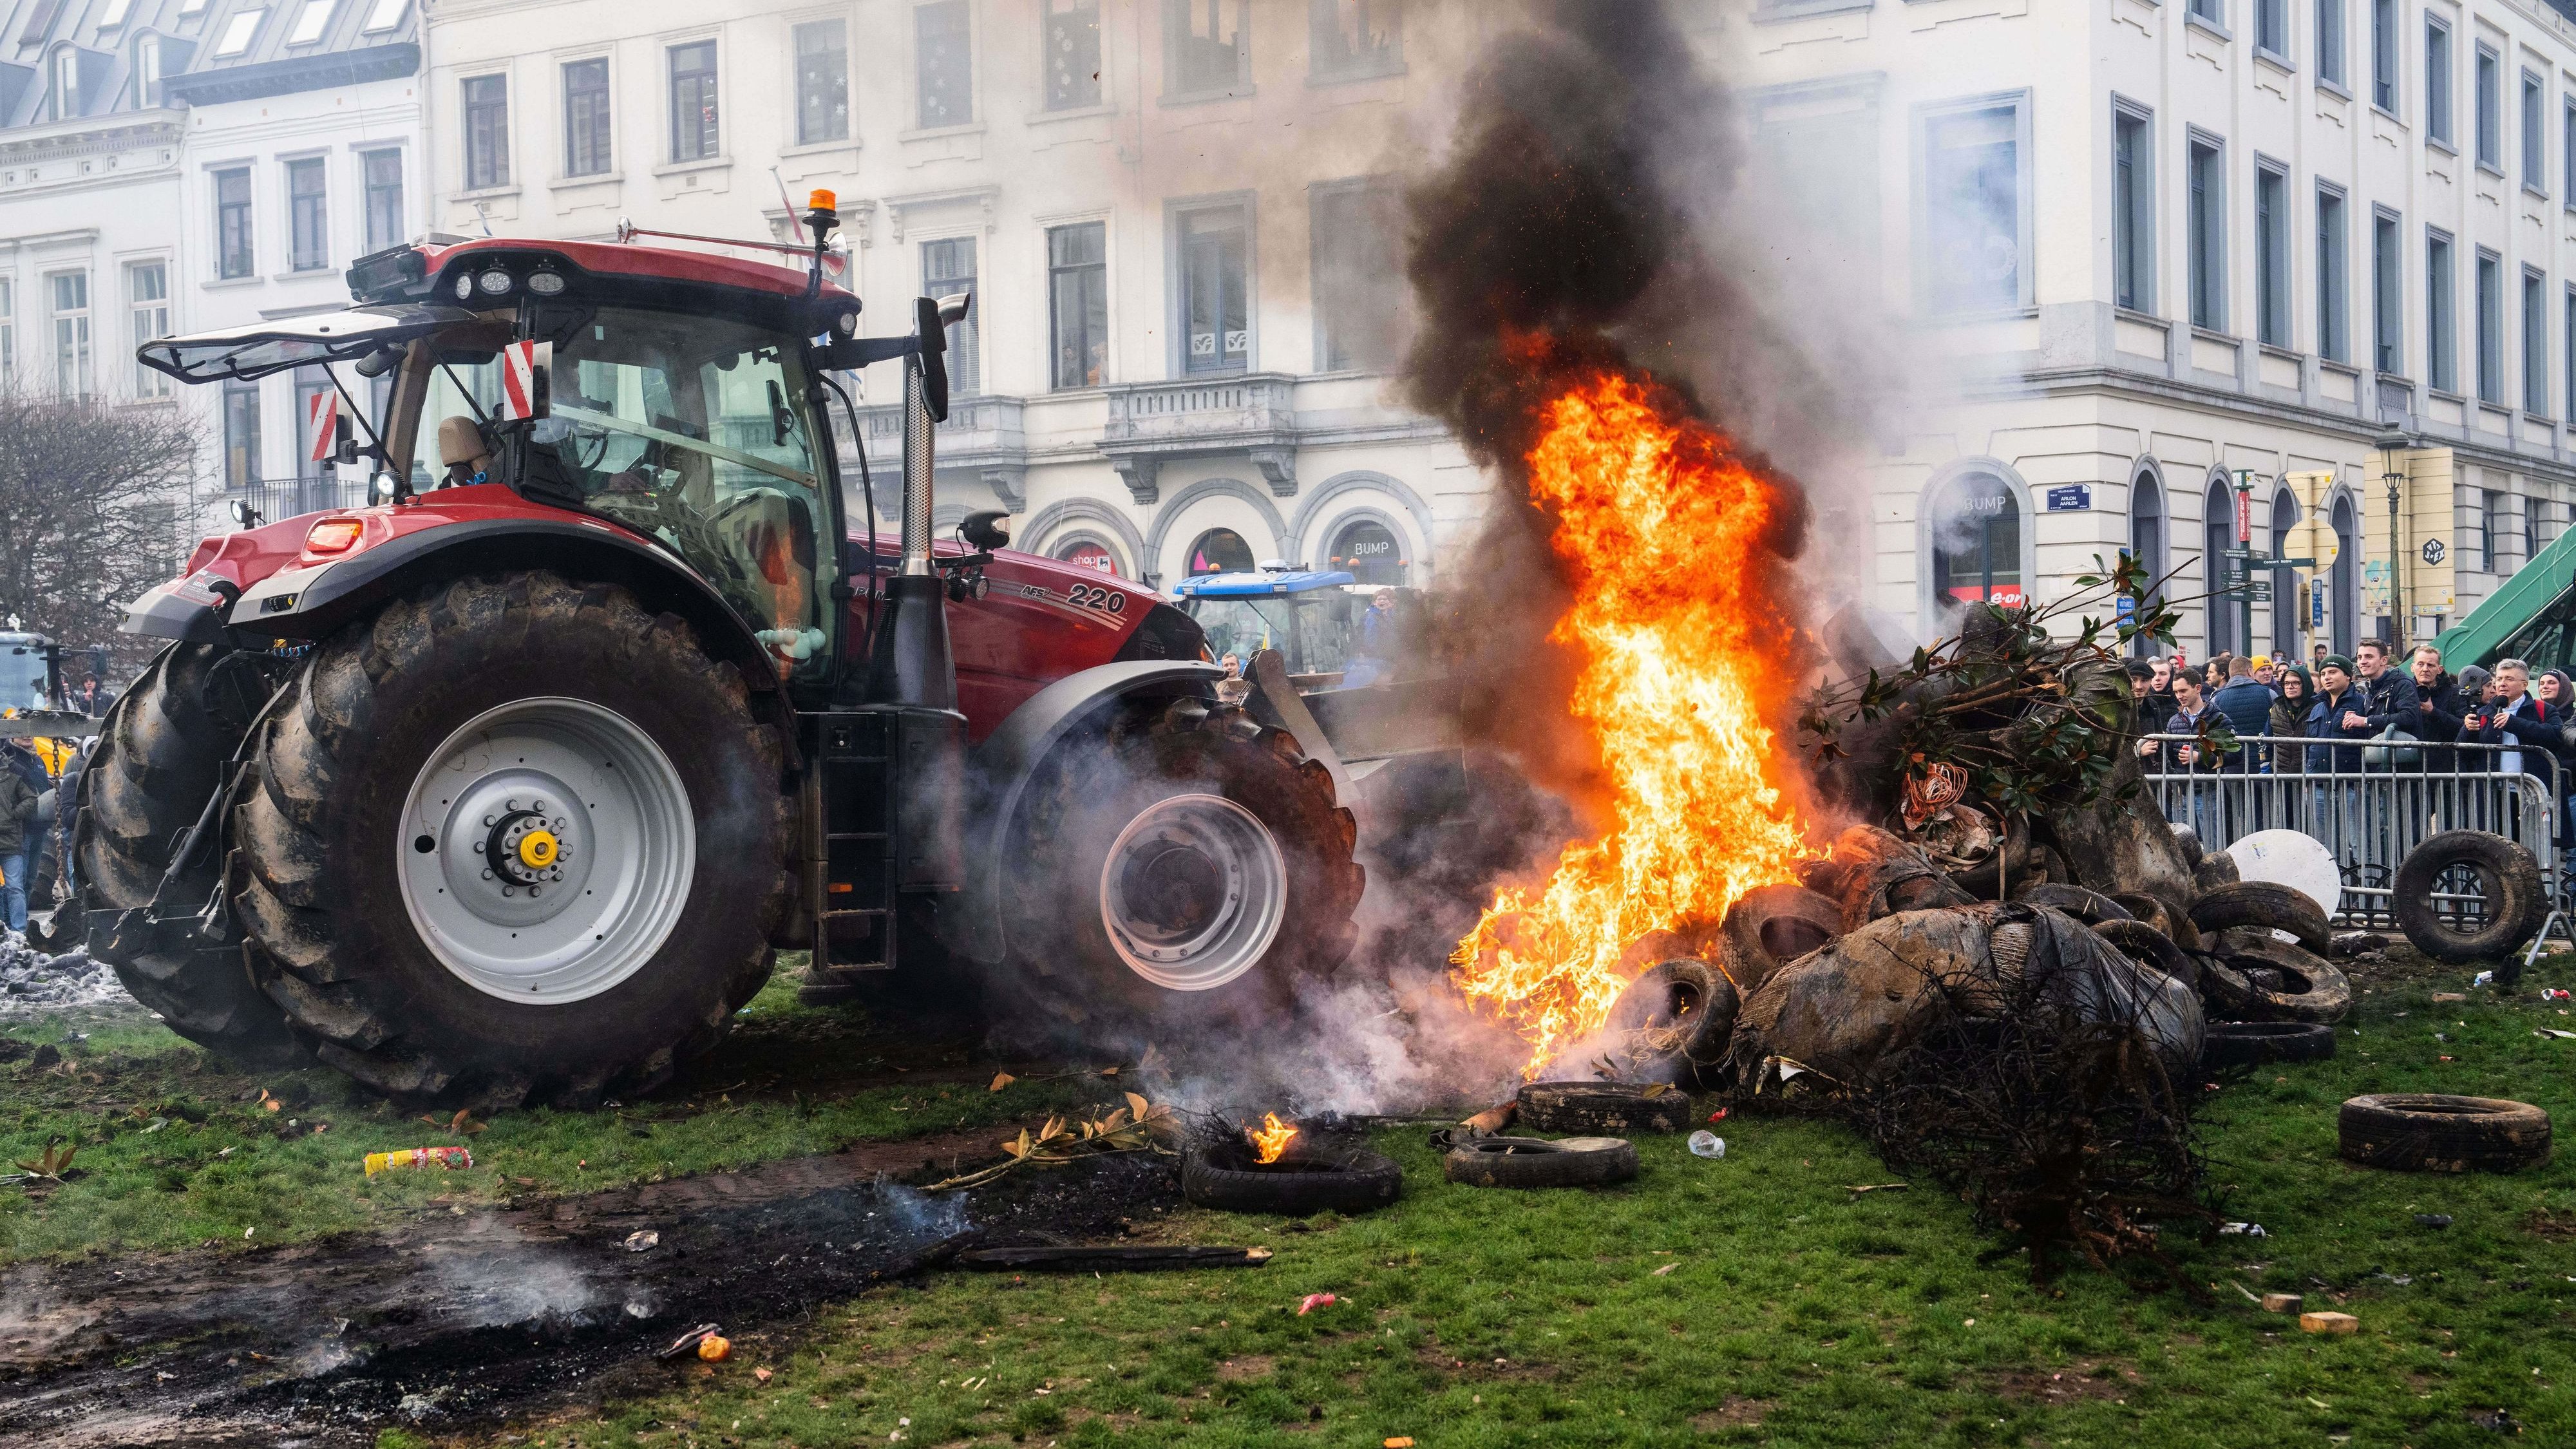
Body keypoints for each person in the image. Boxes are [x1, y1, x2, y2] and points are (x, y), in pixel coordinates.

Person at [2210, 656, 2275, 772]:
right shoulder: (2269, 694)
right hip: (2262, 761)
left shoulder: (2216, 699)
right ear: (2250, 671)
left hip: (2231, 763)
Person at [0, 740, 38, 935]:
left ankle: (19, 932)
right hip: (13, 839)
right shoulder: (16, 771)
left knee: (15, 888)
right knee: (15, 888)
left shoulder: (16, 772)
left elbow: (31, 798)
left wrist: (13, 814)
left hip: (11, 841)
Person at [2268, 667, 2311, 773]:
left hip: (2307, 775)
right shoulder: (2276, 709)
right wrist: (2268, 768)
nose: (2290, 687)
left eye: (2295, 683)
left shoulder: (2317, 708)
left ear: (2305, 684)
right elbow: (2267, 741)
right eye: (2286, 683)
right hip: (2280, 775)